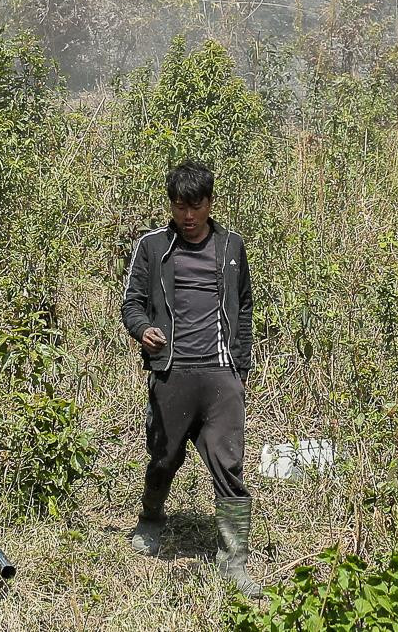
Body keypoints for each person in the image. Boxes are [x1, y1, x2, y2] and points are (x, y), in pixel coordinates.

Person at [120, 159, 259, 596]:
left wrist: (240, 368)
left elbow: (244, 307)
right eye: (180, 206)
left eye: (195, 206)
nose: (188, 215)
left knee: (229, 466)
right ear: (171, 205)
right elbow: (132, 304)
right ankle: (151, 519)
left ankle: (233, 560)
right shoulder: (152, 246)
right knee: (164, 457)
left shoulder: (231, 246)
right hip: (172, 372)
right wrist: (144, 330)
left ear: (210, 203)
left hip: (221, 376)